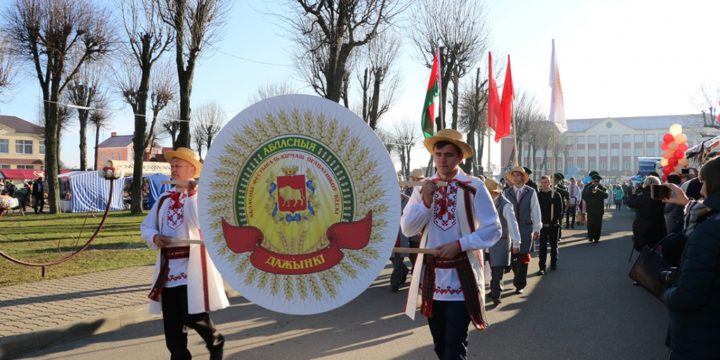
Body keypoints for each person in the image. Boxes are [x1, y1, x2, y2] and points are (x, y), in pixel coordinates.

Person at [401, 129, 501, 360]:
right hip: (433, 277)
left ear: (460, 158)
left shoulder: (474, 186)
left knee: (453, 348)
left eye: (448, 155)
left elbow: (493, 229)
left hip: (461, 276)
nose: (442, 160)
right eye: (438, 154)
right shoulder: (423, 187)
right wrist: (425, 201)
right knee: (439, 346)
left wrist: (460, 244)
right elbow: (407, 228)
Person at [140, 147, 228, 360]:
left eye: (177, 166)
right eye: (172, 166)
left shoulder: (202, 197)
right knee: (172, 329)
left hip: (192, 268)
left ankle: (215, 340)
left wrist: (191, 194)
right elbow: (146, 226)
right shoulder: (163, 199)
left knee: (193, 315)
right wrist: (154, 237)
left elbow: (197, 222)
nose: (173, 170)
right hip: (168, 271)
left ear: (191, 168)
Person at [662, 156, 720, 359]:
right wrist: (687, 203)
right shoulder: (710, 220)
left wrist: (667, 293)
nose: (700, 187)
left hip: (701, 334)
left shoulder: (710, 230)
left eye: (703, 181)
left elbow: (688, 294)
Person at [502, 166, 541, 294]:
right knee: (512, 255)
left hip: (525, 228)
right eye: (514, 175)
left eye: (518, 175)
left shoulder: (531, 192)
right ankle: (517, 276)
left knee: (523, 256)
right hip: (510, 229)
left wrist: (537, 228)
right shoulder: (506, 192)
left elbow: (535, 210)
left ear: (523, 178)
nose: (516, 177)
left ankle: (520, 284)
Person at [484, 179, 521, 305]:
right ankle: (494, 289)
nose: (488, 195)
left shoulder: (506, 205)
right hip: (486, 241)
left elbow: (513, 224)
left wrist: (516, 242)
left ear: (496, 193)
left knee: (497, 268)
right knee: (488, 265)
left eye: (490, 193)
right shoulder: (484, 203)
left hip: (501, 241)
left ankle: (496, 295)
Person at [390, 169, 423, 292]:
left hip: (410, 234)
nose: (418, 181)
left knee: (413, 258)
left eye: (419, 179)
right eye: (416, 179)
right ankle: (403, 271)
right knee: (394, 258)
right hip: (393, 236)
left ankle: (399, 282)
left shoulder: (408, 199)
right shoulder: (387, 199)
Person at [626, 176, 666, 251]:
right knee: (657, 247)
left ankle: (645, 259)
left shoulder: (642, 197)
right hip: (659, 227)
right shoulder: (662, 196)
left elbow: (630, 203)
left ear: (645, 184)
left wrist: (633, 194)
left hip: (643, 228)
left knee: (643, 247)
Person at [537, 175, 563, 274]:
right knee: (542, 247)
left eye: (546, 182)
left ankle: (553, 264)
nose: (544, 184)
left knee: (553, 246)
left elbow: (560, 211)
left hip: (553, 225)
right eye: (542, 182)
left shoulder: (556, 195)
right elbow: (537, 210)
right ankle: (542, 267)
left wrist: (554, 220)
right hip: (542, 225)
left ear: (550, 183)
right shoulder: (538, 195)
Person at [581, 172, 608, 242]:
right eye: (594, 181)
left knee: (598, 224)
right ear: (592, 180)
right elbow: (584, 195)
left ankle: (596, 238)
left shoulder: (601, 187)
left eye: (597, 181)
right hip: (590, 208)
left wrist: (598, 190)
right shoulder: (587, 186)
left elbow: (606, 195)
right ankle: (590, 236)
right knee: (590, 223)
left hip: (599, 209)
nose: (596, 182)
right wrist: (589, 200)